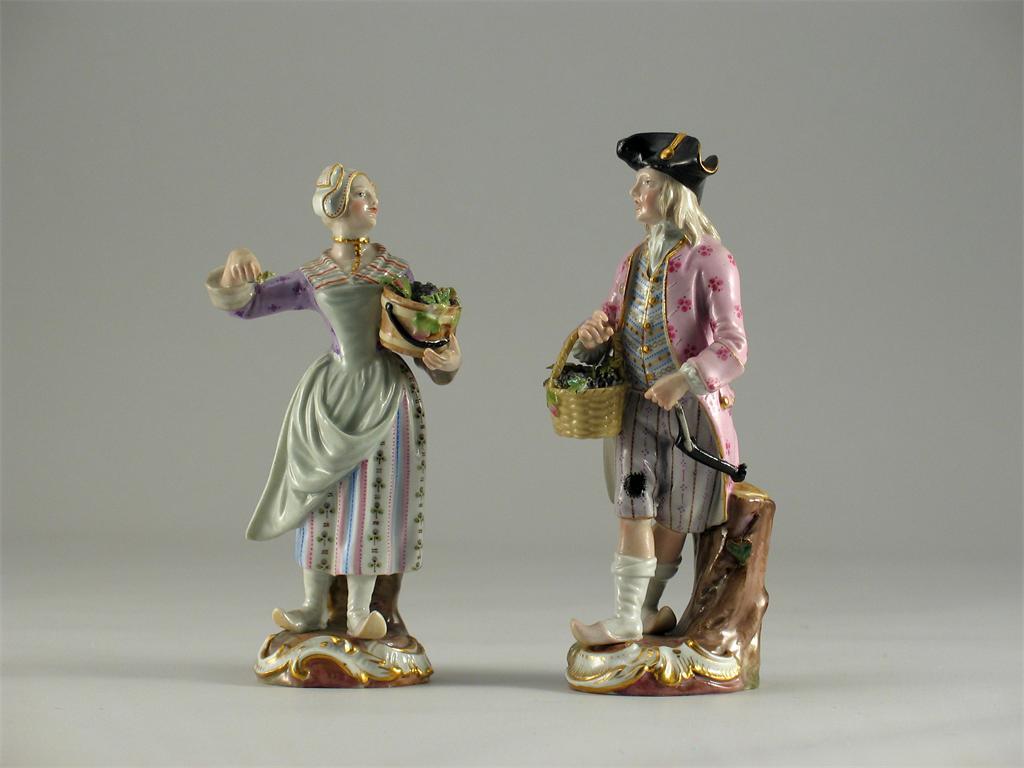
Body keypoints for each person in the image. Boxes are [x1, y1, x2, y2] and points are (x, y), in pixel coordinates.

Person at [206, 163, 461, 640]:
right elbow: (250, 302)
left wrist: (445, 358)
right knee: (320, 501)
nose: (373, 201)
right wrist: (236, 263)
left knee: (374, 502)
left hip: (384, 394)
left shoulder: (394, 271)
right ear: (334, 205)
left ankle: (362, 611)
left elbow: (421, 333)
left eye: (373, 193)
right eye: (362, 194)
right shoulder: (314, 275)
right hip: (331, 395)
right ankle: (312, 606)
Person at [570, 133, 747, 647]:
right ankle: (627, 615)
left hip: (690, 418)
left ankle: (646, 610)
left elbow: (734, 345)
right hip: (636, 411)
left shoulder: (710, 259)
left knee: (675, 515)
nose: (634, 193)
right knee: (634, 504)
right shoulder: (632, 261)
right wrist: (591, 338)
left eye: (644, 183)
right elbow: (611, 318)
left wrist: (684, 380)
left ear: (671, 191)